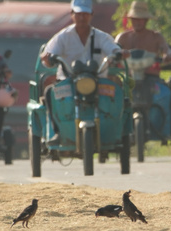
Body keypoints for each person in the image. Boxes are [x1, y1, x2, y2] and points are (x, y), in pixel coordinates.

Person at [39, 0, 127, 145]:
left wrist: (119, 53)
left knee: (118, 92)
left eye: (85, 14)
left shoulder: (101, 37)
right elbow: (48, 55)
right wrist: (47, 58)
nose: (81, 18)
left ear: (91, 15)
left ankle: (116, 130)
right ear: (72, 14)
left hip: (98, 82)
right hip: (68, 82)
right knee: (50, 92)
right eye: (78, 14)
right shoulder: (62, 37)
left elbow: (113, 49)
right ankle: (57, 132)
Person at [114, 1, 171, 76]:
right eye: (134, 19)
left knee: (163, 88)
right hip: (128, 80)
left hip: (152, 79)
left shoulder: (156, 37)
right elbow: (113, 51)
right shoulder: (123, 37)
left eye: (140, 19)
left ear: (146, 20)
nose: (137, 22)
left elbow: (166, 49)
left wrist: (167, 55)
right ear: (131, 19)